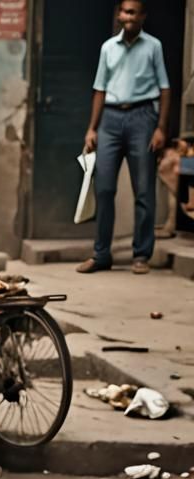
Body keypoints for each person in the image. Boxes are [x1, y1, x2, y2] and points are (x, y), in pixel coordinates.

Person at [77, 0, 170, 275]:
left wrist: (161, 128)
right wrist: (92, 128)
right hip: (110, 120)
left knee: (143, 190)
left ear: (142, 16)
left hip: (143, 118)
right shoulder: (108, 48)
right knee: (104, 189)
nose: (128, 17)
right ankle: (101, 254)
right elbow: (99, 89)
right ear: (119, 15)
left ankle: (141, 254)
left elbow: (165, 89)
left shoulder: (153, 46)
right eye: (125, 12)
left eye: (134, 12)